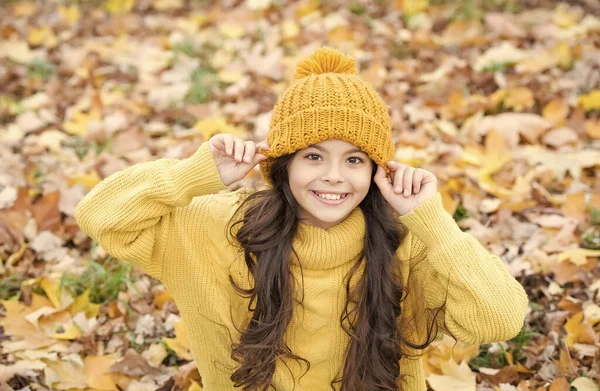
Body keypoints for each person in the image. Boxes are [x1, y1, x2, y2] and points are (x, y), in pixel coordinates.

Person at [74, 46, 529, 391]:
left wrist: (433, 222)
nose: (334, 177)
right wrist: (194, 176)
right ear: (284, 163)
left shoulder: (406, 245)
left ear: (377, 171)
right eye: (314, 156)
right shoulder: (219, 229)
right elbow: (102, 215)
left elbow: (500, 320)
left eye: (354, 160)